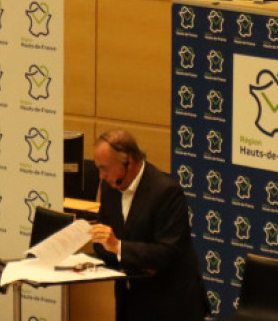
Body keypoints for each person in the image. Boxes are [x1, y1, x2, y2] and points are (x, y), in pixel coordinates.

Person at [88, 129, 206, 321]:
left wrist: (119, 247)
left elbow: (168, 252)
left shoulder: (166, 192)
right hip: (129, 301)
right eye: (98, 168)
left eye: (105, 168)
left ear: (130, 162)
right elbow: (101, 244)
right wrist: (115, 249)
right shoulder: (110, 189)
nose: (101, 176)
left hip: (170, 305)